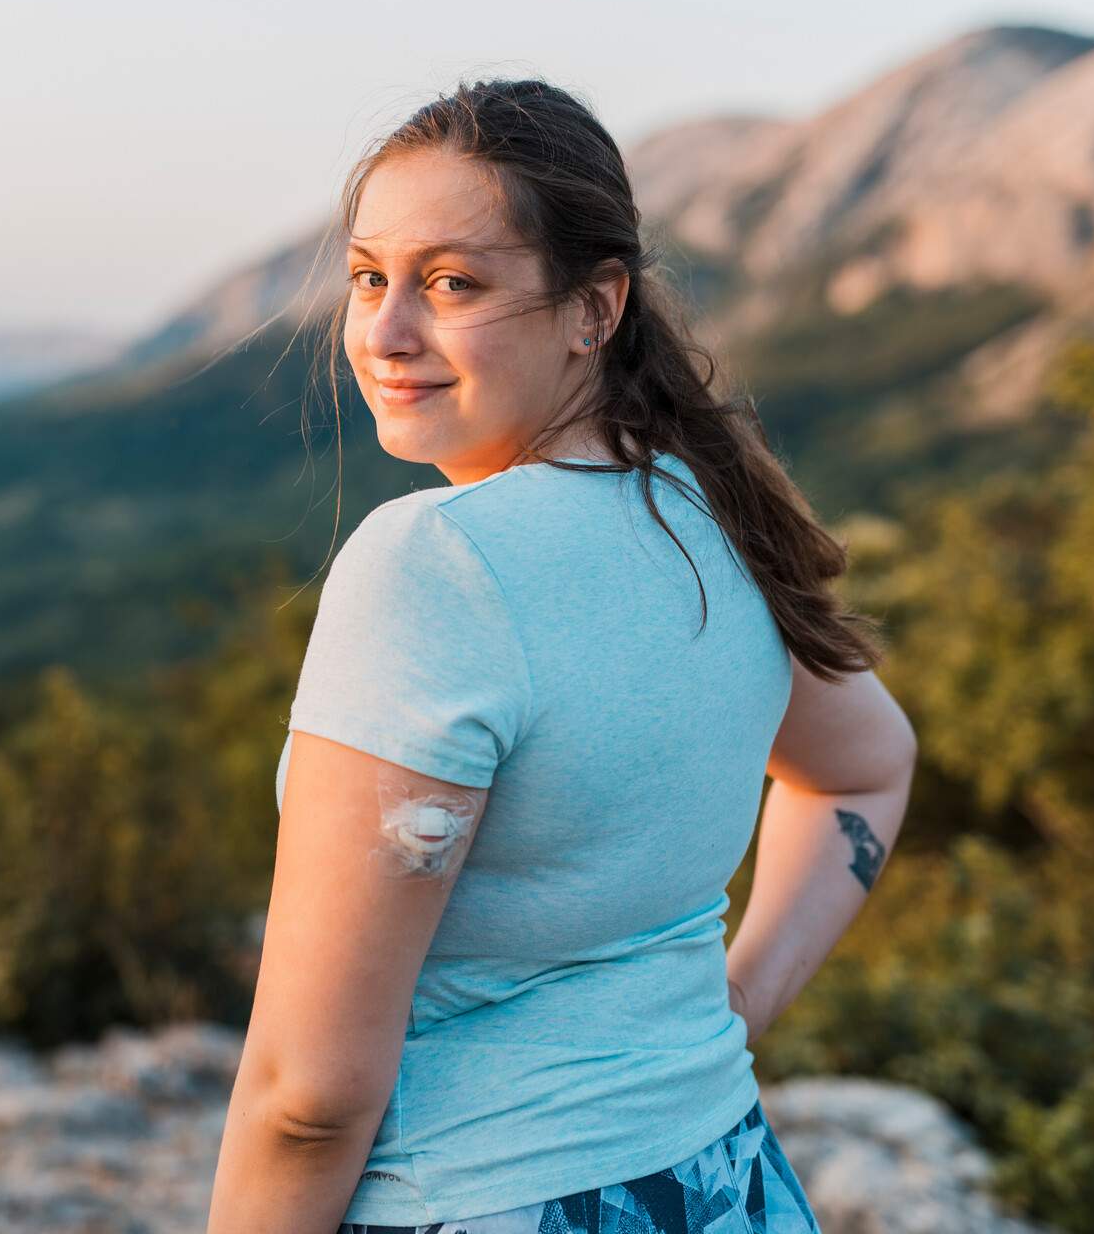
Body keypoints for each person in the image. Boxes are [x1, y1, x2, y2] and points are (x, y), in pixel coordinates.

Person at [205, 78, 917, 1234]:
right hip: (727, 1184)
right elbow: (868, 767)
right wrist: (727, 1015)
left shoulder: (431, 564)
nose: (385, 332)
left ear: (596, 309)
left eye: (452, 283)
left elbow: (310, 1096)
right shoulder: (714, 508)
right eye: (370, 277)